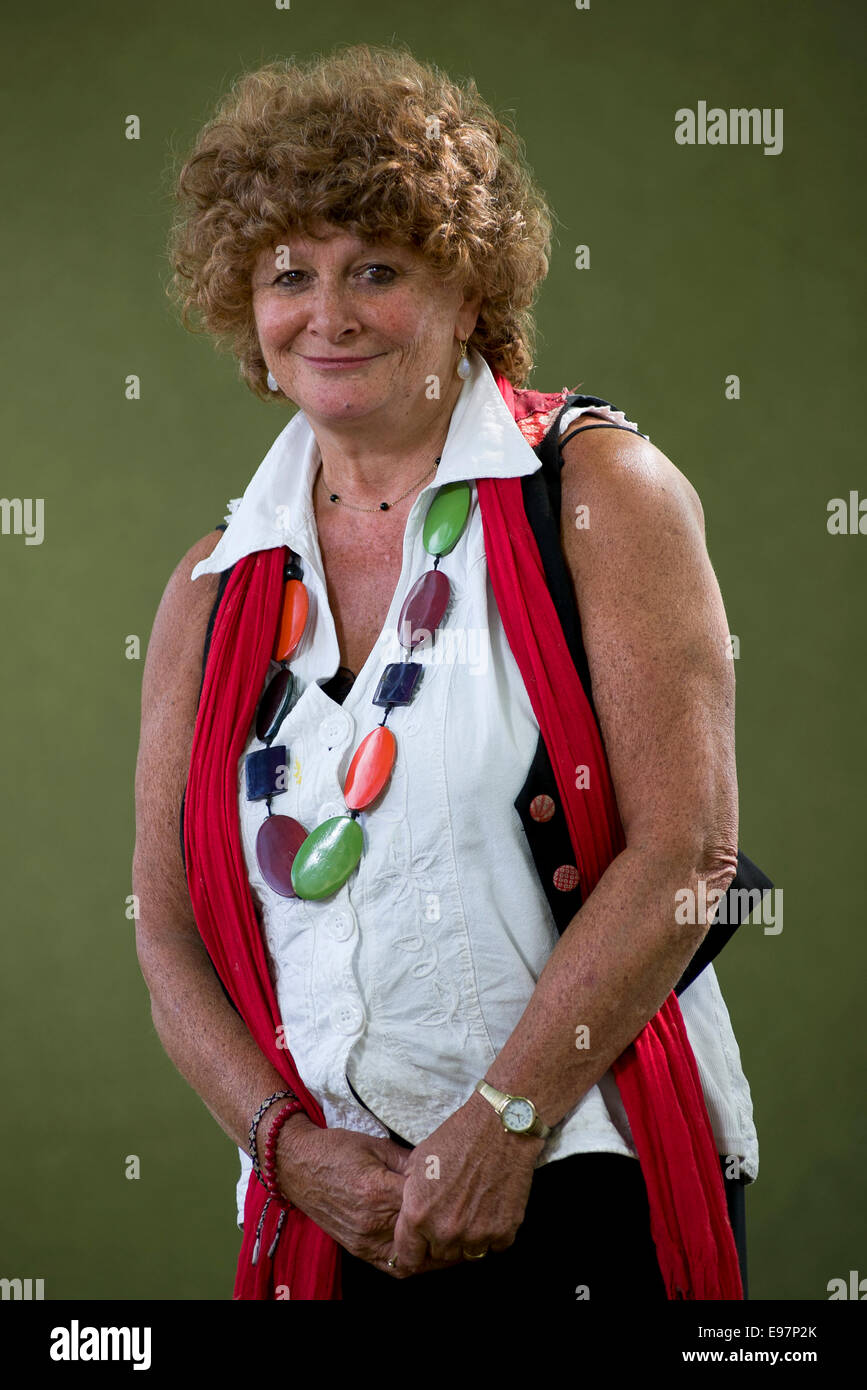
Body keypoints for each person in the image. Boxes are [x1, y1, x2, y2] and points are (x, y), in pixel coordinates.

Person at [133, 41, 758, 1302]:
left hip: (586, 1173)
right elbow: (168, 930)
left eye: (377, 269)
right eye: (287, 274)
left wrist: (505, 1120)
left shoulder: (596, 492)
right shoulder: (213, 586)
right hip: (331, 1209)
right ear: (243, 310)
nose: (329, 312)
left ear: (469, 291)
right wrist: (284, 1147)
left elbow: (690, 856)